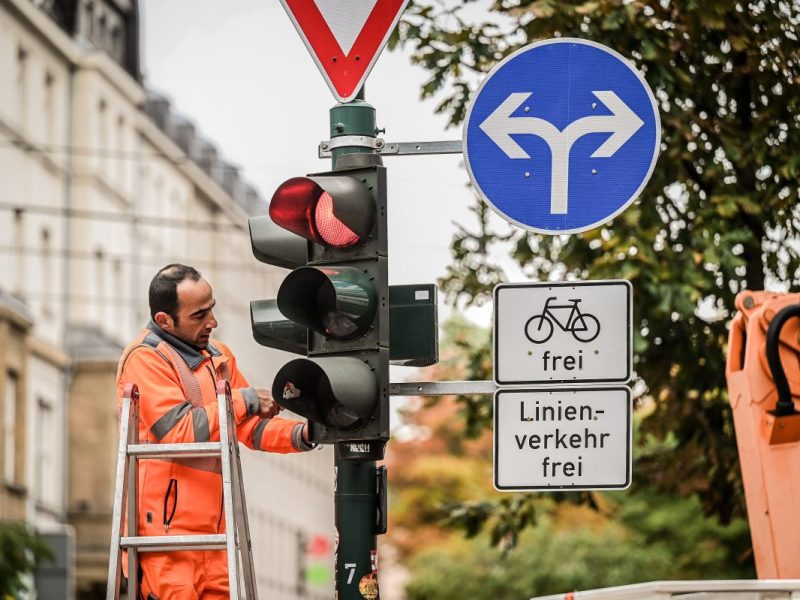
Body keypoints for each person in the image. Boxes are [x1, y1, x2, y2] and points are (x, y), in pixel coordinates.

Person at [116, 263, 313, 598]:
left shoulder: (220, 357)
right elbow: (178, 430)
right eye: (199, 315)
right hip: (165, 538)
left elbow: (251, 429)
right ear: (165, 320)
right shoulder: (145, 358)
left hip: (216, 537)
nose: (213, 322)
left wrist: (305, 435)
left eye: (212, 309)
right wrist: (243, 400)